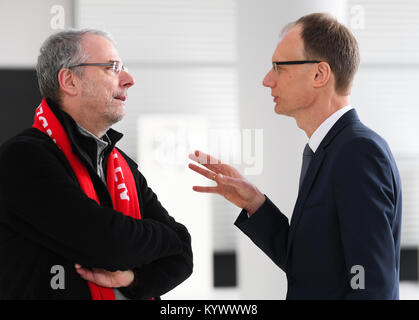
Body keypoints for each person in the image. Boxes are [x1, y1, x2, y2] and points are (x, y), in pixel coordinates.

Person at [188, 13, 402, 299]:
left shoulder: (357, 152)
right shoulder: (325, 149)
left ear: (319, 74)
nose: (266, 80)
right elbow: (310, 266)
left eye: (279, 67)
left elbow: (371, 283)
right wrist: (254, 203)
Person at [0, 29, 193, 300]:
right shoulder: (22, 158)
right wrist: (169, 237)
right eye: (112, 67)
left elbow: (184, 256)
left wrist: (132, 279)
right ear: (70, 81)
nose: (129, 79)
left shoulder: (123, 164)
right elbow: (108, 244)